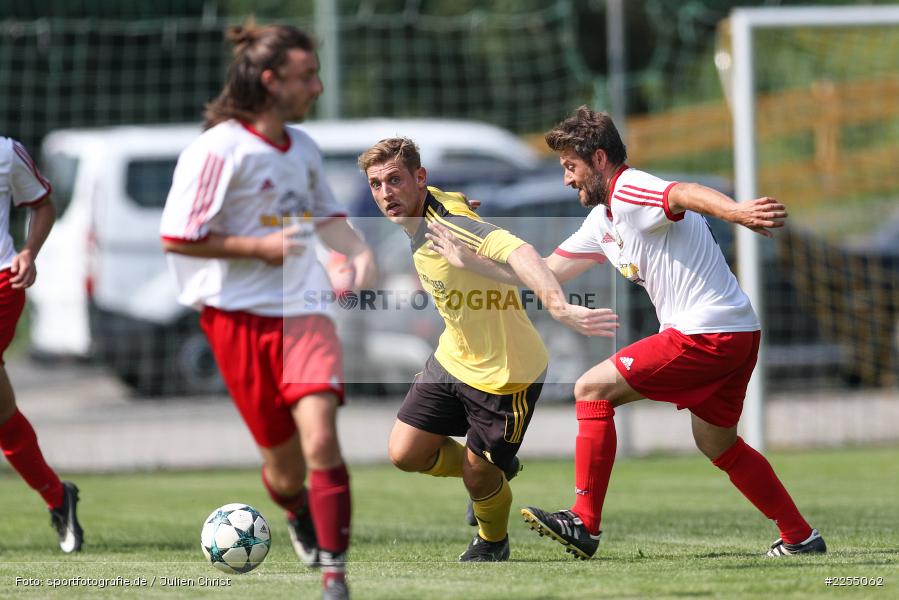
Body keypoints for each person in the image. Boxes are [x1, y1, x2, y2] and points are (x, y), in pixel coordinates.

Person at [426, 106, 826, 560]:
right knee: (718, 443)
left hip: (706, 333)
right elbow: (548, 272)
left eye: (570, 167)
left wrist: (737, 212)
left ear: (599, 159)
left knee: (592, 388)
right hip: (732, 332)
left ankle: (583, 522)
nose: (566, 180)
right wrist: (469, 259)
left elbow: (684, 193)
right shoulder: (602, 221)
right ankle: (800, 536)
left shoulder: (630, 187)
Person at [160, 24, 377, 600]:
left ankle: (335, 574)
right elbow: (179, 237)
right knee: (284, 471)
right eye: (308, 76)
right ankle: (294, 507)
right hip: (235, 321)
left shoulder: (302, 148)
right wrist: (256, 248)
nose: (319, 86)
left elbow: (328, 217)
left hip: (303, 313)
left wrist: (353, 254)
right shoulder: (216, 150)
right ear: (270, 81)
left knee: (322, 438)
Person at [357, 137, 618, 562]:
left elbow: (521, 251)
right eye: (376, 184)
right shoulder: (427, 210)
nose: (386, 192)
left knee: (478, 480)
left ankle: (492, 541)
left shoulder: (450, 223)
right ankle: (492, 468)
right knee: (404, 453)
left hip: (507, 374)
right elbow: (452, 198)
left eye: (395, 180)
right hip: (453, 359)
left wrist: (559, 308)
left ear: (419, 179)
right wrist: (459, 202)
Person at [0, 136, 83, 553]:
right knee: (3, 418)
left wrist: (29, 252)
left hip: (1, 284)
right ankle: (57, 496)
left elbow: (42, 204)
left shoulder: (5, 152)